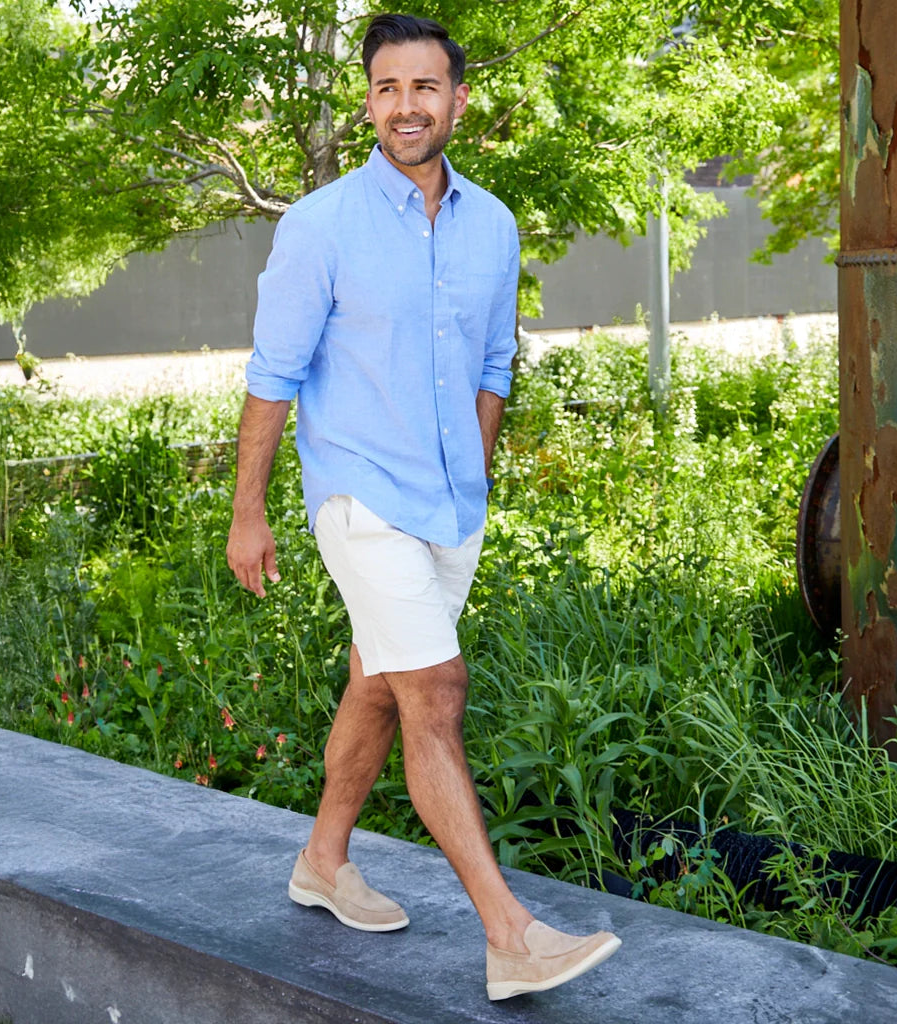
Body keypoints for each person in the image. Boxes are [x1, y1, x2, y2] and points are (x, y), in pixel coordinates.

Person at [226, 12, 621, 1001]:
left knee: (378, 678)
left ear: (457, 100)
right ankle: (511, 936)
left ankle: (322, 860)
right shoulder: (319, 226)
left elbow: (494, 364)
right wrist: (249, 512)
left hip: (449, 505)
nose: (405, 106)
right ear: (368, 102)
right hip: (358, 496)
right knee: (434, 689)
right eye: (387, 89)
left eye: (424, 88)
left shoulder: (493, 224)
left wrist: (473, 482)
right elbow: (271, 378)